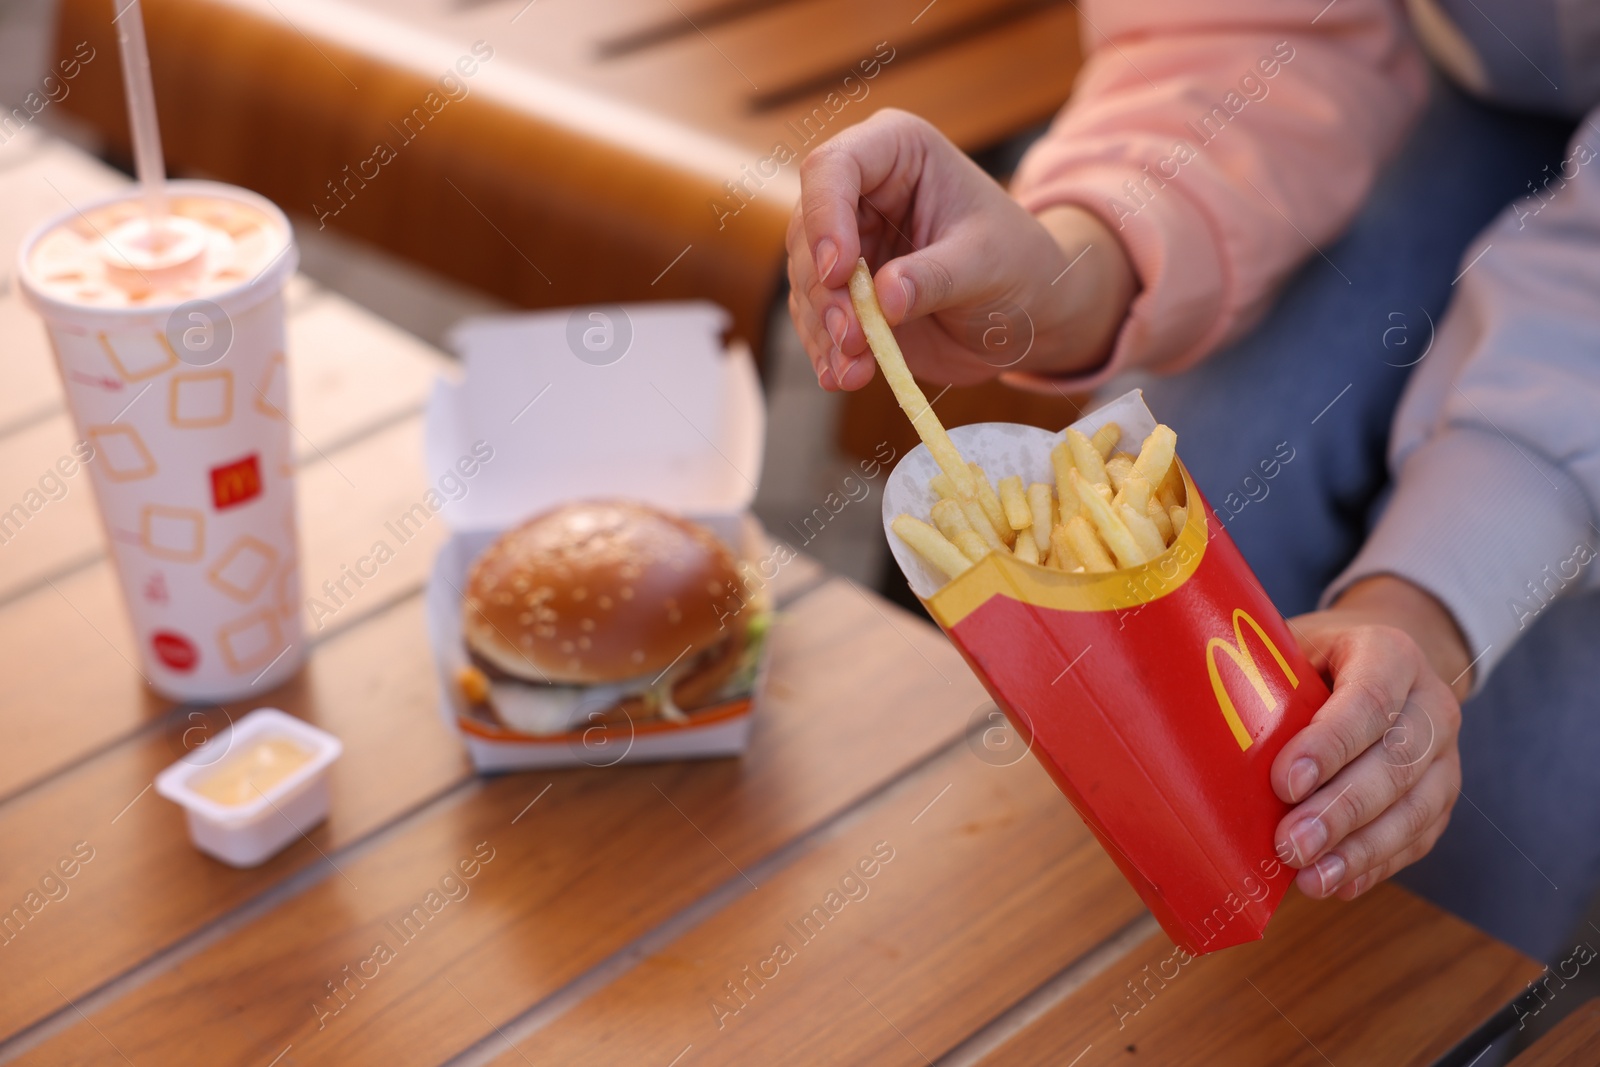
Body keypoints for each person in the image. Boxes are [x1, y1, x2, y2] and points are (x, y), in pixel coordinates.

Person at [785, 0, 1599, 964]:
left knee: (1495, 706)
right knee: (1205, 462)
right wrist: (1072, 271)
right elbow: (1237, 27)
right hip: (1447, 75)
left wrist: (1429, 607)